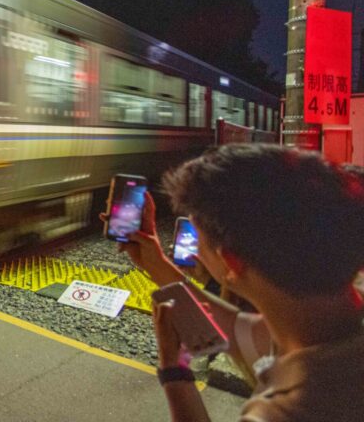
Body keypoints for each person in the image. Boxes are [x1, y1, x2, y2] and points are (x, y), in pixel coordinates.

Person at [116, 144, 364, 422]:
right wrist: (155, 263)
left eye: (198, 240)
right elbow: (235, 330)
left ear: (231, 262)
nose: (196, 251)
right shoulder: (324, 328)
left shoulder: (287, 411)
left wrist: (175, 374)